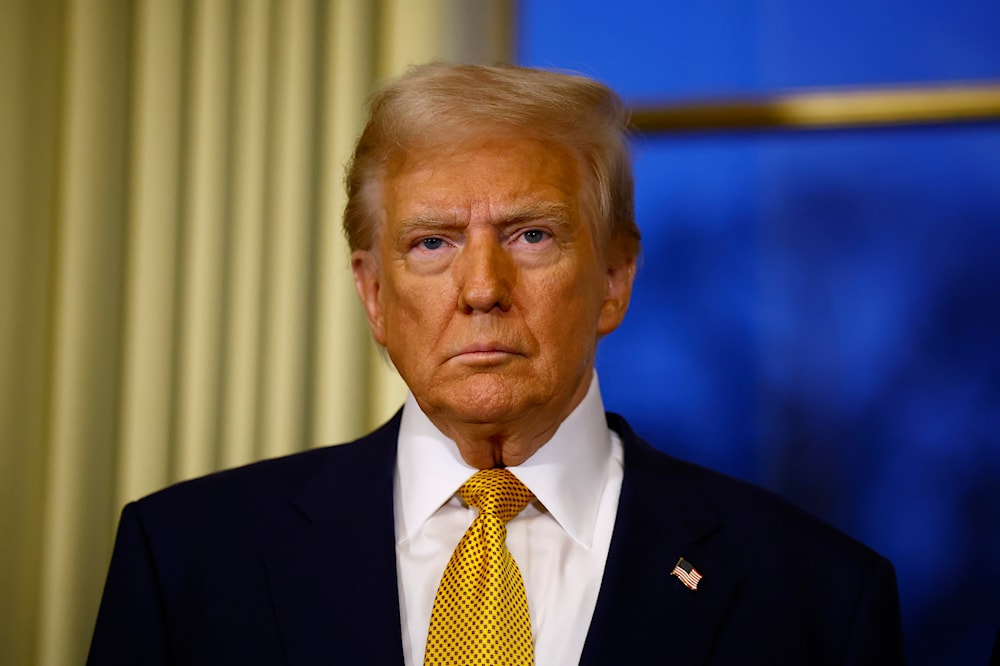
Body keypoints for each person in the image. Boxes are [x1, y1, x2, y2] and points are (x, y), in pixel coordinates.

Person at [88, 63, 905, 665]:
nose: (482, 288)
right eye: (432, 242)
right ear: (373, 293)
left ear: (614, 281)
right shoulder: (186, 560)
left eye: (531, 235)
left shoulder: (818, 597)